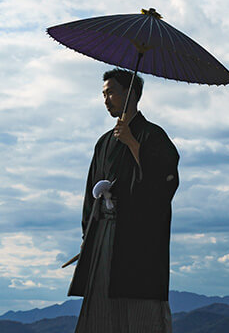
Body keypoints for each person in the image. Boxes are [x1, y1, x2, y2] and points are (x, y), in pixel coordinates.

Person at [68, 69, 179, 333]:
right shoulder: (104, 142)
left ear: (131, 94)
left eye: (112, 93)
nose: (106, 100)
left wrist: (133, 143)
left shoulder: (153, 136)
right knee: (102, 311)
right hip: (104, 233)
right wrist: (88, 236)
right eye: (103, 94)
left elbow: (165, 183)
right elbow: (89, 195)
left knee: (140, 312)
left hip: (139, 239)